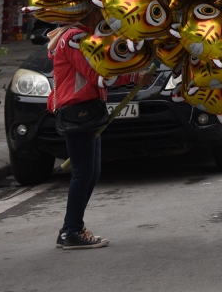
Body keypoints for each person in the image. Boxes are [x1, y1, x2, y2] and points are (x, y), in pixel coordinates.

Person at [47, 24, 153, 249]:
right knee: (83, 173)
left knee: (91, 172)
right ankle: (72, 231)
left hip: (88, 110)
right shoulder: (74, 38)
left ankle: (69, 229)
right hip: (78, 110)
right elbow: (97, 77)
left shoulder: (83, 35)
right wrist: (134, 76)